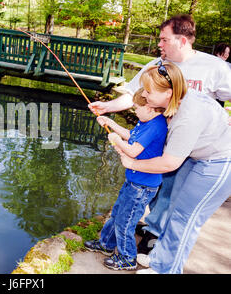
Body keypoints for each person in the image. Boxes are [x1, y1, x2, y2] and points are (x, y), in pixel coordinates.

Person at [88, 14, 231, 255]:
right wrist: (107, 107)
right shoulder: (157, 66)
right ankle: (150, 230)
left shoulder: (215, 67)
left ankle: (154, 235)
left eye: (164, 40)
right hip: (162, 140)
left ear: (183, 41)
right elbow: (134, 95)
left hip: (202, 148)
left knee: (175, 195)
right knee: (160, 186)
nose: (159, 44)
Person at [116, 62, 231, 274]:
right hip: (196, 156)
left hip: (220, 162)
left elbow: (169, 163)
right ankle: (160, 259)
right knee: (175, 209)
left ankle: (166, 270)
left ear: (168, 92)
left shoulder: (187, 116)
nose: (145, 96)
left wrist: (132, 163)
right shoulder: (174, 102)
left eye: (149, 92)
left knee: (185, 218)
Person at [84, 88, 168, 271]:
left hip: (143, 185)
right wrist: (109, 123)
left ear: (151, 108)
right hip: (133, 180)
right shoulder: (146, 121)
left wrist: (116, 141)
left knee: (126, 221)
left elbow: (132, 151)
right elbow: (132, 136)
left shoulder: (156, 125)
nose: (135, 112)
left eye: (137, 108)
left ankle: (127, 257)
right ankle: (106, 244)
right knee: (117, 213)